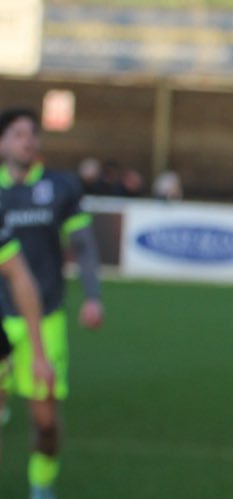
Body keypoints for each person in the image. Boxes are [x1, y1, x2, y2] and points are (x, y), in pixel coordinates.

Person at [0, 107, 103, 499]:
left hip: (44, 318)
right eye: (18, 133)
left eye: (33, 133)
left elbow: (84, 247)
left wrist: (93, 297)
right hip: (0, 315)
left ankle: (42, 488)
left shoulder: (62, 187)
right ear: (2, 143)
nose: (28, 140)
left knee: (45, 422)